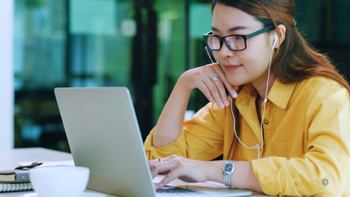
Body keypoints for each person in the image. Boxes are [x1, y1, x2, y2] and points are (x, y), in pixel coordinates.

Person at [144, 0, 350, 196]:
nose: (224, 52)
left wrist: (217, 171)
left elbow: (326, 178)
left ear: (277, 36)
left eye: (238, 37)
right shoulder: (235, 98)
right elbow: (159, 164)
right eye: (217, 37)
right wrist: (184, 84)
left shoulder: (326, 95)